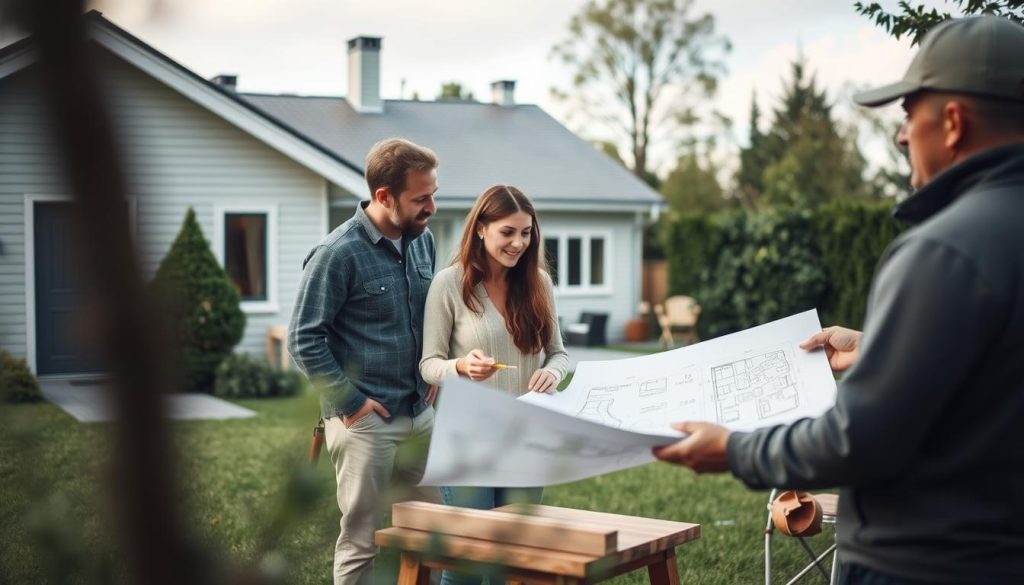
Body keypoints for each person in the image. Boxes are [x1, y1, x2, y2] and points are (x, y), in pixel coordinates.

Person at [653, 15, 1024, 584]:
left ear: (951, 122)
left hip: (923, 564)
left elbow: (859, 440)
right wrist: (881, 346)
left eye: (908, 115)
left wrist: (734, 449)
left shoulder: (942, 249)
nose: (901, 136)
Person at [288, 138, 444, 585]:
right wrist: (352, 403)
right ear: (384, 196)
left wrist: (434, 366)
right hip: (366, 423)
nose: (431, 206)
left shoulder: (423, 241)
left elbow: (426, 316)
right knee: (362, 539)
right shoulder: (337, 253)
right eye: (421, 198)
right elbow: (303, 340)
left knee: (430, 534)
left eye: (433, 193)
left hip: (420, 415)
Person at [420, 184, 569, 585]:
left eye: (526, 233)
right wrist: (461, 367)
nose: (519, 242)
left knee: (512, 564)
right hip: (467, 441)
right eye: (508, 232)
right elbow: (428, 365)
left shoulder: (539, 283)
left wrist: (552, 373)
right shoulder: (448, 284)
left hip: (527, 440)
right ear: (481, 228)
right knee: (468, 563)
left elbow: (559, 353)